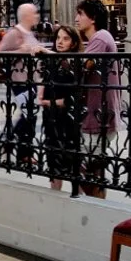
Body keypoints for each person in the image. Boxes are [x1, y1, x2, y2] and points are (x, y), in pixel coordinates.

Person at [73, 0, 120, 198]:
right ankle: (97, 204)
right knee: (93, 166)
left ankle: (97, 205)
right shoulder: (100, 38)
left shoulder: (100, 37)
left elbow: (81, 65)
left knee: (85, 168)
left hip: (99, 112)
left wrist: (49, 55)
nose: (76, 18)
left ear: (92, 18)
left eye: (80, 14)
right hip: (97, 111)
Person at [0, 2, 46, 162]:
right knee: (28, 114)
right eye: (34, 13)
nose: (37, 16)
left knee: (29, 115)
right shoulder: (14, 33)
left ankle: (22, 150)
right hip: (19, 81)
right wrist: (20, 51)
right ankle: (13, 144)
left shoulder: (29, 33)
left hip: (31, 80)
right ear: (26, 16)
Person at [40, 24, 84, 191]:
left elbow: (69, 100)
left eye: (65, 39)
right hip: (51, 118)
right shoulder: (54, 63)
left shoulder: (72, 63)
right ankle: (55, 194)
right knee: (53, 161)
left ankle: (79, 196)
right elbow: (44, 84)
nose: (60, 42)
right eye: (58, 38)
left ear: (73, 43)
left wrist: (46, 102)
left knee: (71, 163)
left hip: (67, 120)